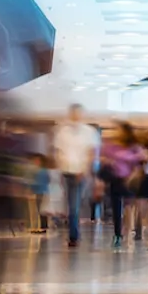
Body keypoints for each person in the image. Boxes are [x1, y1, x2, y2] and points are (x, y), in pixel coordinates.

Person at [52, 103, 100, 248]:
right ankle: (74, 234)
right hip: (67, 171)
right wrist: (60, 167)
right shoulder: (62, 131)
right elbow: (58, 152)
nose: (75, 116)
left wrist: (86, 170)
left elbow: (92, 153)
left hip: (80, 172)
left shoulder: (89, 132)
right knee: (71, 204)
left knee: (74, 204)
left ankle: (74, 235)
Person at [101, 123, 145, 248]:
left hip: (130, 180)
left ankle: (132, 230)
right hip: (115, 179)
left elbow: (140, 162)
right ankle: (117, 234)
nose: (117, 133)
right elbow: (103, 156)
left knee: (130, 207)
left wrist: (134, 175)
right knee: (116, 208)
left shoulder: (134, 147)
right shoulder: (112, 147)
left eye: (119, 130)